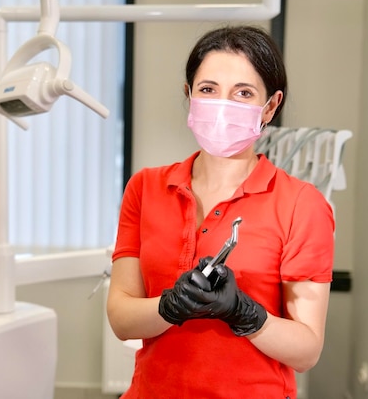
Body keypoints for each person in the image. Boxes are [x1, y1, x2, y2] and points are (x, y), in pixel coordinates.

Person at [106, 25, 334, 399]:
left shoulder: (301, 204)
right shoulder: (145, 188)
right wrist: (169, 306)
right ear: (189, 94)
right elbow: (121, 318)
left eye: (243, 93)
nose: (222, 105)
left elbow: (307, 351)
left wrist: (245, 313)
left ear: (270, 106)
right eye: (208, 89)